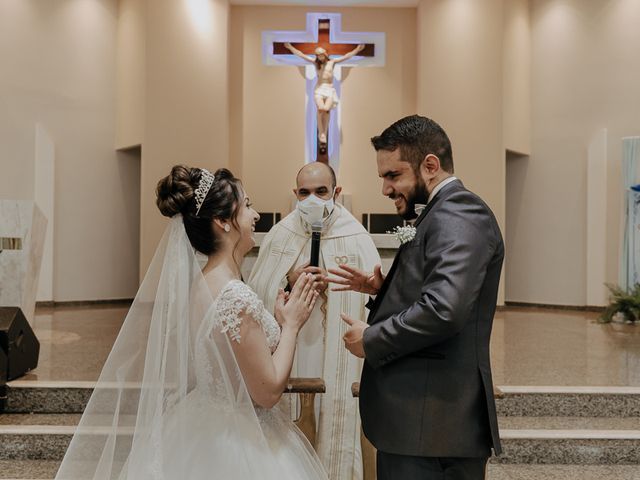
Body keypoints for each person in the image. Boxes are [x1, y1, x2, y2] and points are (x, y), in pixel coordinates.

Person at [55, 166, 328, 480]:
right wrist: (292, 325)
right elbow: (266, 393)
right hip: (238, 443)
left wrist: (278, 323)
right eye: (248, 205)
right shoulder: (234, 296)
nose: (255, 216)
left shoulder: (203, 284)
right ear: (223, 222)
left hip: (202, 425)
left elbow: (233, 366)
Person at [329, 115, 503, 480]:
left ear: (430, 165)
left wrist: (371, 339)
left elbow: (444, 309)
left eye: (393, 176)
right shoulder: (441, 213)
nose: (386, 189)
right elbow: (439, 291)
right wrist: (386, 289)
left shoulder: (459, 212)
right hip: (421, 426)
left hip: (433, 426)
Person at [248, 162, 380, 480]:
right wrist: (289, 279)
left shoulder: (356, 236)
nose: (312, 200)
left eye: (321, 192)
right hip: (292, 351)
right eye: (304, 192)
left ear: (336, 193)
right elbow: (255, 293)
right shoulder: (282, 234)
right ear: (295, 194)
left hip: (334, 347)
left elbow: (373, 298)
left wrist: (332, 287)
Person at [284, 42, 365, 151]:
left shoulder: (332, 62)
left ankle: (323, 133)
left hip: (330, 89)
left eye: (321, 54)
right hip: (319, 89)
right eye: (317, 55)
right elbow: (301, 55)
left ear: (325, 54)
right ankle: (322, 135)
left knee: (326, 110)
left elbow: (346, 56)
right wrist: (290, 47)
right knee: (321, 109)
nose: (319, 57)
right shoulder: (315, 63)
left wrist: (357, 50)